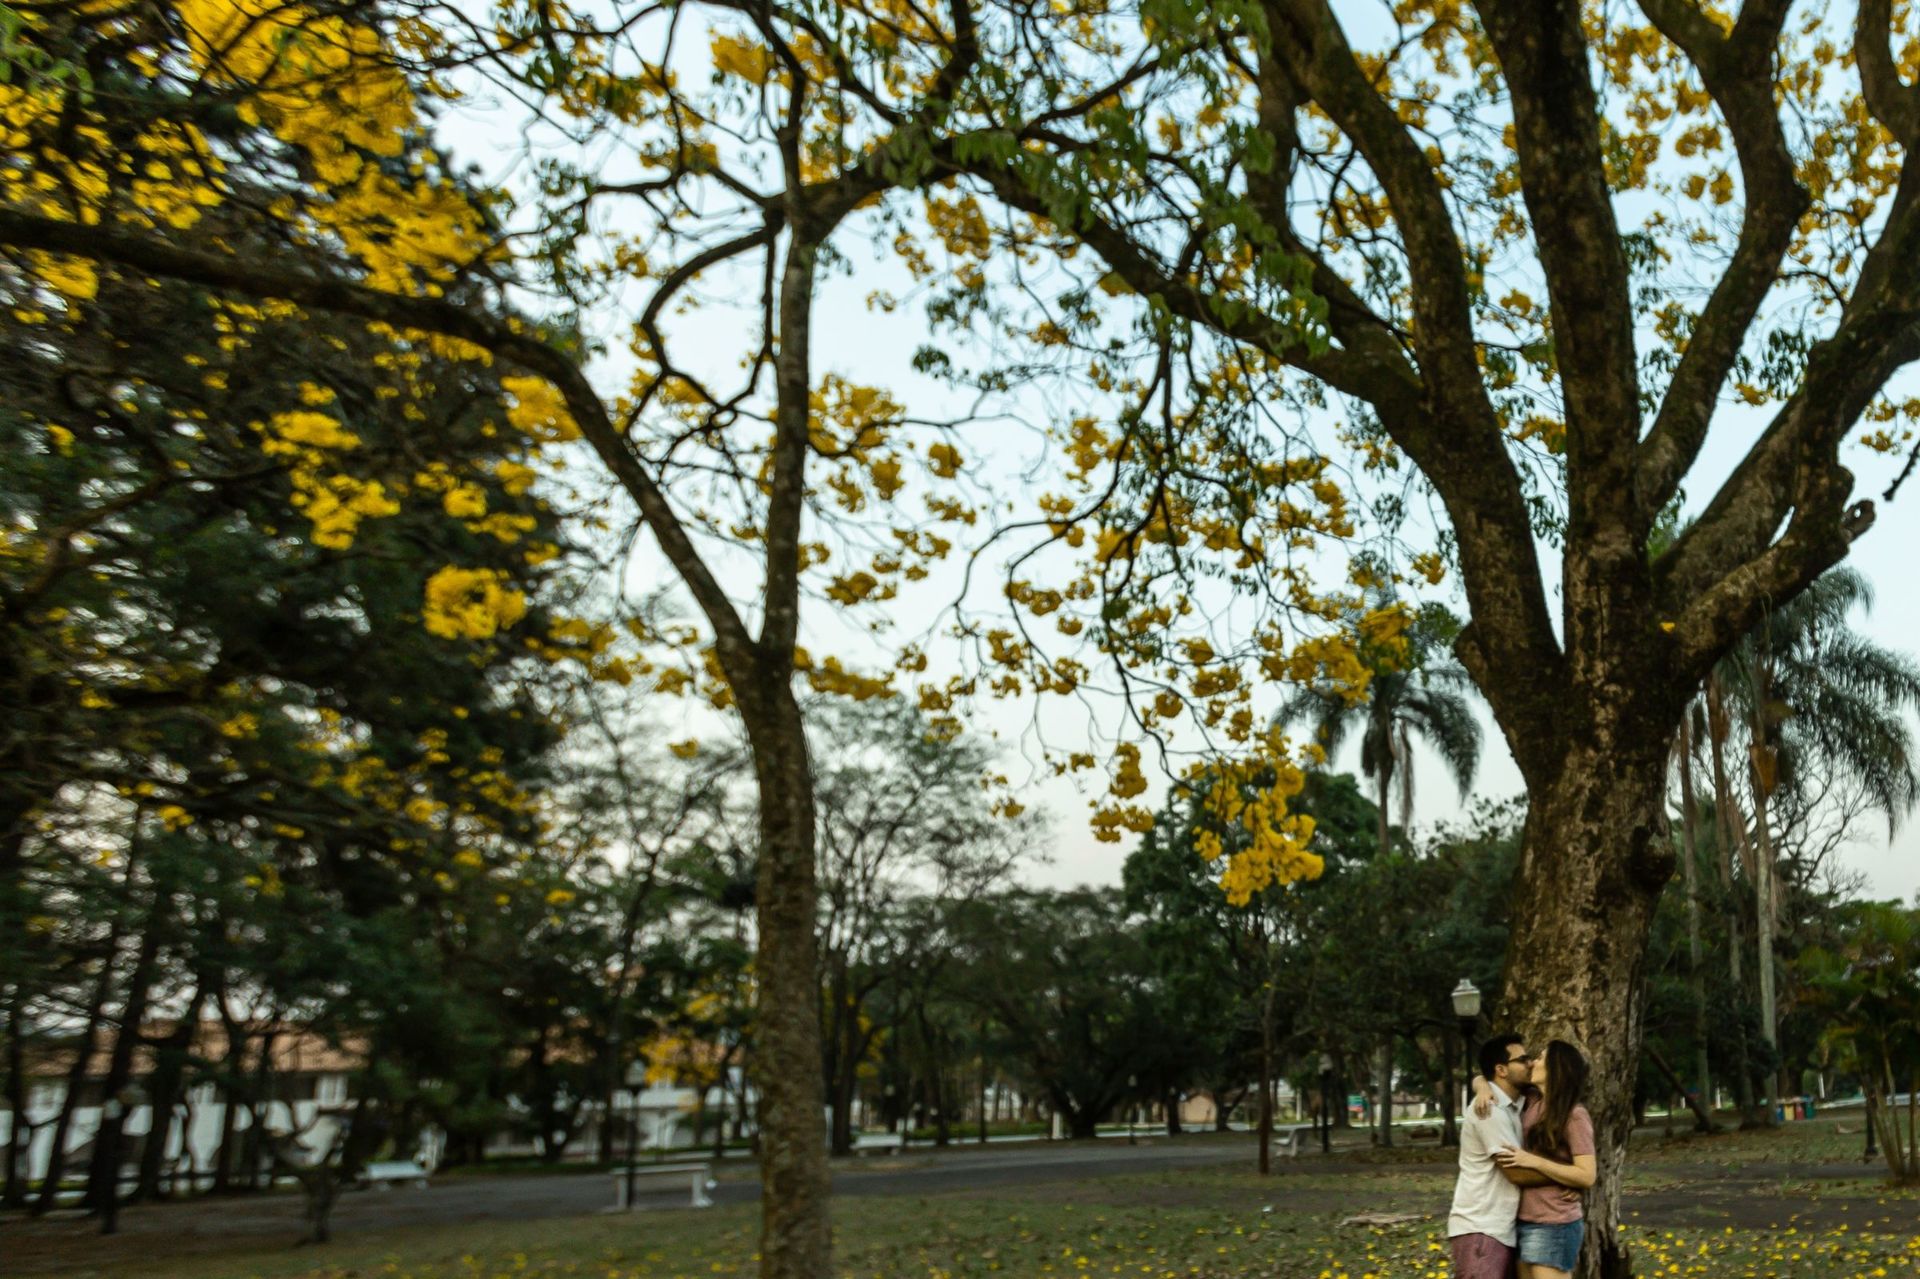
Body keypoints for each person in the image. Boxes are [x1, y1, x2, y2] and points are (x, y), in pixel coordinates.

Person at [1494, 1039, 1597, 1279]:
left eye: (1540, 1058)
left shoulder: (1574, 1115)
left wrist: (1534, 1162)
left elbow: (1587, 1174)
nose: (1532, 1063)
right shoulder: (1531, 1101)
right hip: (1523, 1220)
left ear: (1555, 1068)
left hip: (1554, 1223)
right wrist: (1481, 1087)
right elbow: (1486, 1079)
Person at [1447, 1034, 1532, 1278]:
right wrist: (1571, 1177)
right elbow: (1515, 1171)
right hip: (1481, 1228)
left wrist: (1480, 1081)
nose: (1530, 1064)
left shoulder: (1515, 1104)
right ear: (1501, 1070)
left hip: (1499, 1229)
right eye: (1522, 1059)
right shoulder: (1489, 1110)